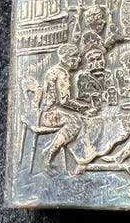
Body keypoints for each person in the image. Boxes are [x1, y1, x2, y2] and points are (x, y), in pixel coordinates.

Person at [40, 44, 91, 174]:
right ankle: (50, 153)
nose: (79, 60)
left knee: (79, 120)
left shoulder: (54, 70)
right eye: (74, 57)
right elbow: (64, 101)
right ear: (64, 58)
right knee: (76, 123)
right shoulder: (62, 73)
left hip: (44, 112)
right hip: (50, 115)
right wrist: (82, 108)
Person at [75, 46, 114, 111]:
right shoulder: (84, 77)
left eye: (99, 59)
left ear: (104, 60)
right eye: (92, 60)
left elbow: (112, 90)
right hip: (92, 108)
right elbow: (81, 96)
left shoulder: (108, 74)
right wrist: (97, 96)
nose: (96, 63)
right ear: (86, 63)